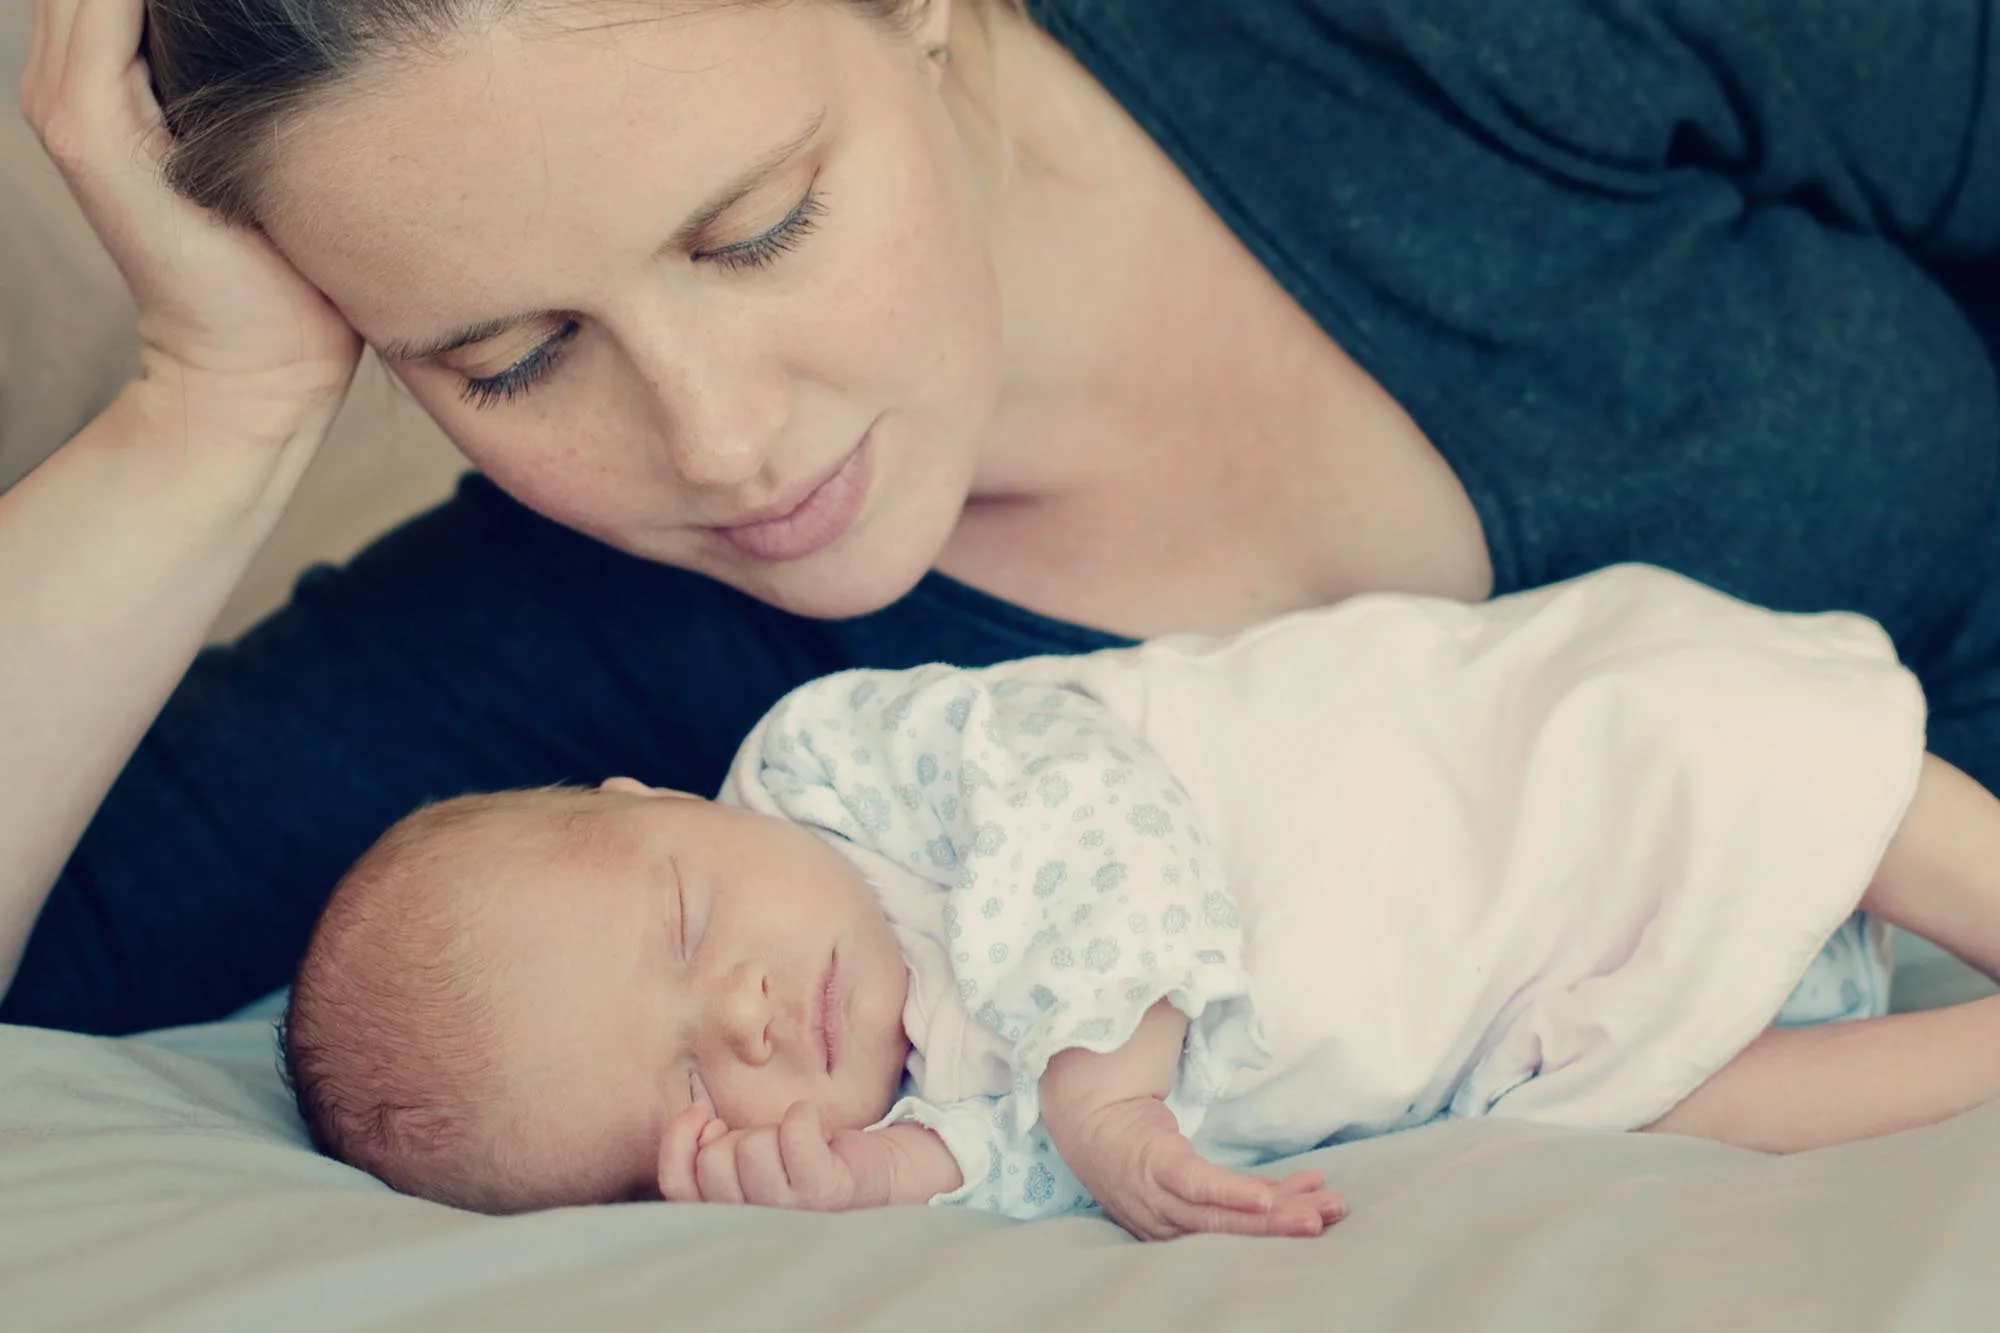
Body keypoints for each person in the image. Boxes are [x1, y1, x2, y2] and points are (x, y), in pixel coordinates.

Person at [6, 0, 2000, 1038]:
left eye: (757, 227)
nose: (715, 441)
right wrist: (213, 413)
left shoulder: (1406, 42)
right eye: (507, 359)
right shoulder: (584, 651)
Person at [281, 565, 2000, 1242]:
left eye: (676, 928)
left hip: (1504, 776)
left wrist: (1104, 1080)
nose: (734, 1013)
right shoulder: (911, 1108)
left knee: (1776, 767)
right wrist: (872, 1176)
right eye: (675, 1096)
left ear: (650, 803)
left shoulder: (836, 774)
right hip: (1493, 1019)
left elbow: (1076, 788)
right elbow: (1035, 1167)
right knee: (1679, 1104)